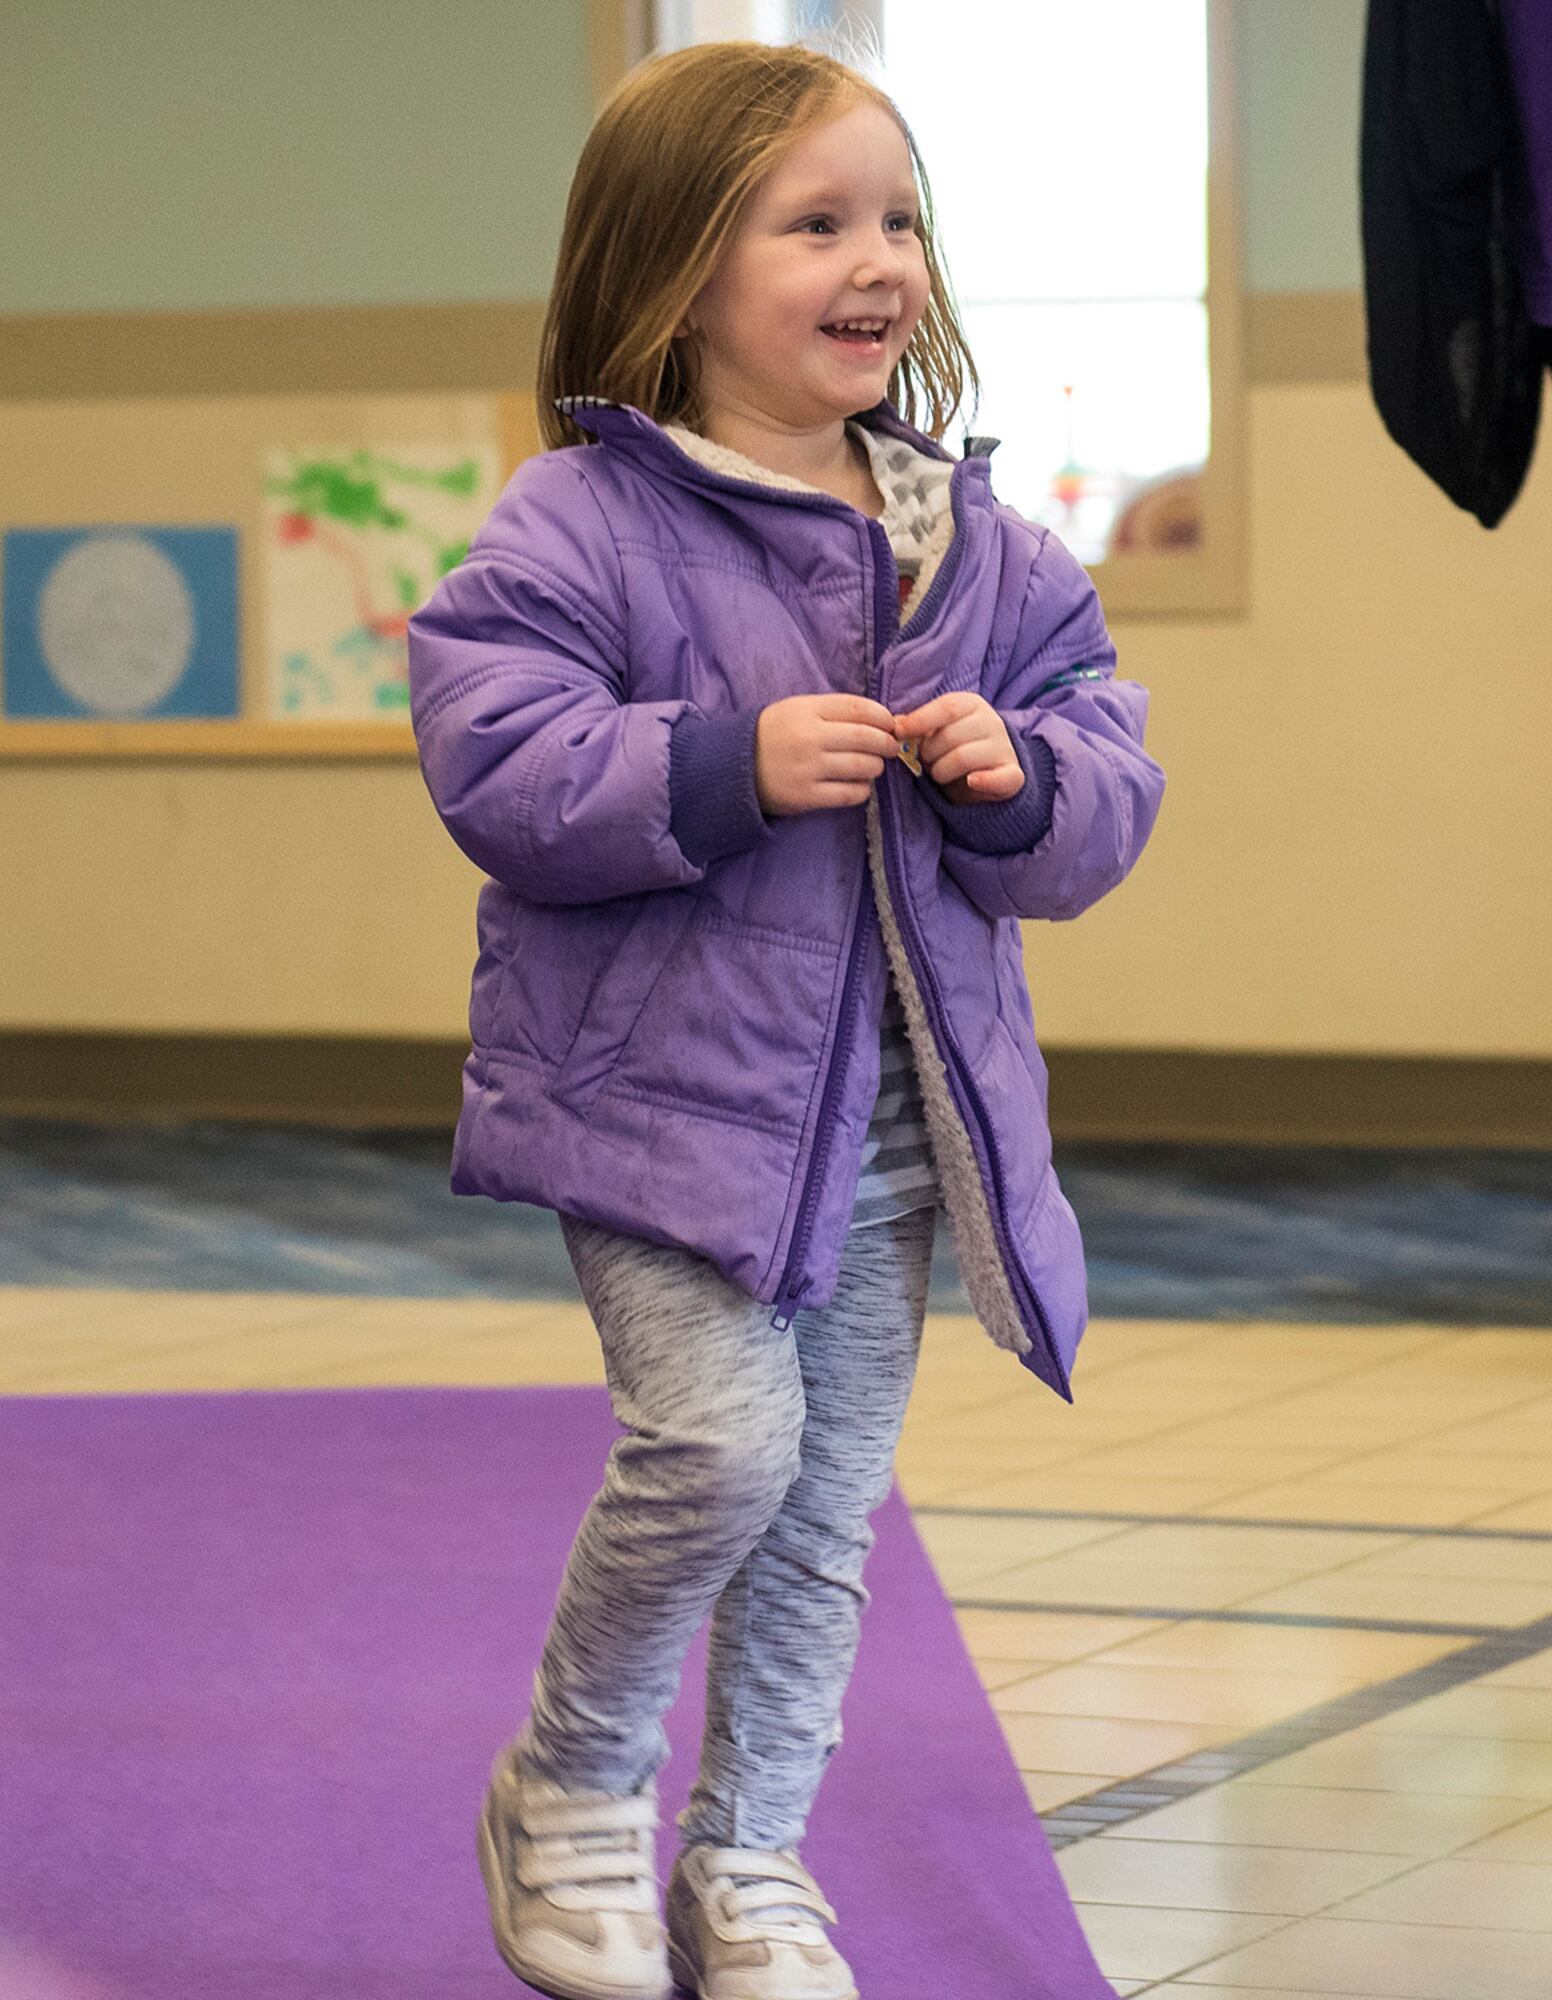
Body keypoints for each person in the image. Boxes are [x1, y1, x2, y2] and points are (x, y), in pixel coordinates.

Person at [406, 37, 1164, 2000]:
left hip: (898, 1120)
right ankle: (567, 1787)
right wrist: (720, 761)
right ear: (674, 271)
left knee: (823, 1515)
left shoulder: (966, 541)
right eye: (815, 220)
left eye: (897, 217)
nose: (878, 257)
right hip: (666, 1116)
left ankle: (744, 1866)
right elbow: (495, 756)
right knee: (718, 1454)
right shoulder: (579, 523)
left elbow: (1102, 766)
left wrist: (1017, 773)